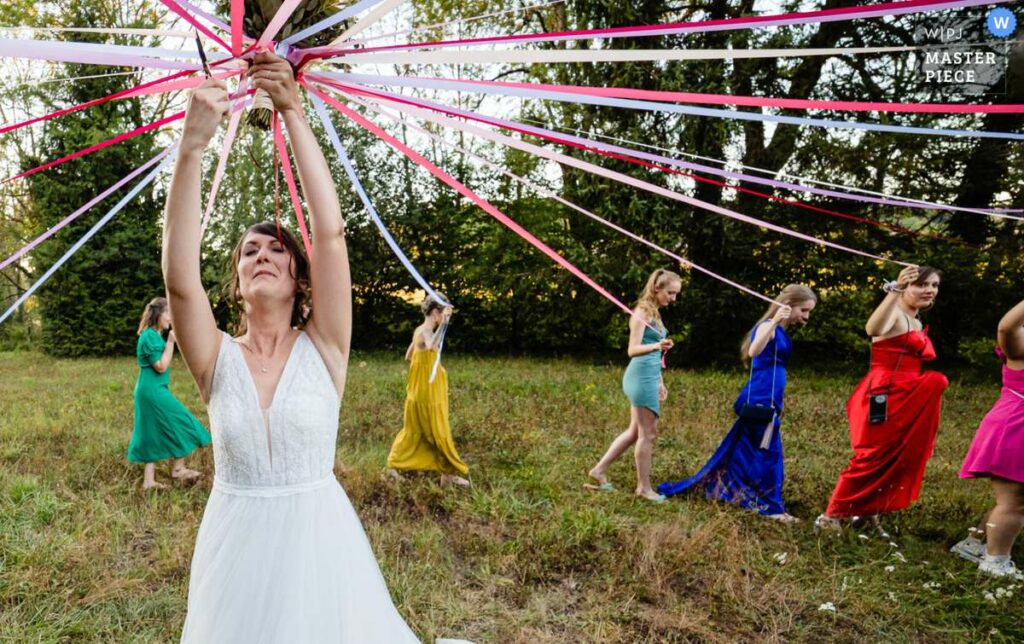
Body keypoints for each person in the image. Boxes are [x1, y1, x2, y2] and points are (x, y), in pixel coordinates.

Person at [164, 52, 462, 642]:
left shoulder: (326, 344)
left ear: (300, 279)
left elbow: (328, 233)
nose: (262, 256)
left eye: (276, 249)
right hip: (235, 551)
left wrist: (292, 110)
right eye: (249, 252)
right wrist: (192, 148)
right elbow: (178, 276)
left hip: (320, 552)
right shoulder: (214, 358)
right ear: (239, 282)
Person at [658, 285, 817, 523]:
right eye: (803, 310)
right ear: (789, 304)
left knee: (746, 449)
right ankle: (771, 507)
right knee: (768, 453)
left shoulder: (781, 330)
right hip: (760, 396)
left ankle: (731, 490)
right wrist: (774, 321)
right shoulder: (768, 327)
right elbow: (754, 351)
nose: (805, 317)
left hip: (769, 394)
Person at [817, 266, 948, 534]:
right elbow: (873, 328)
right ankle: (832, 514)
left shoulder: (916, 319)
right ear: (906, 286)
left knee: (895, 455)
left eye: (934, 285)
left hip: (907, 393)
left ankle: (866, 511)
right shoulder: (895, 314)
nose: (929, 290)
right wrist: (895, 289)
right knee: (872, 455)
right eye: (921, 284)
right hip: (884, 393)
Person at [586, 269, 681, 502]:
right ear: (656, 288)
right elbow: (633, 350)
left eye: (676, 294)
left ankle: (598, 471)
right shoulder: (641, 312)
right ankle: (644, 488)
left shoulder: (655, 314)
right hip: (639, 377)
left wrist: (660, 381)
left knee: (634, 432)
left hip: (649, 376)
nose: (673, 298)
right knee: (648, 434)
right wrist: (657, 346)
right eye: (670, 292)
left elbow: (654, 353)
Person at [950, 298, 1024, 579]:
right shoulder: (1020, 343)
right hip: (1016, 427)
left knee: (1014, 498)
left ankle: (976, 543)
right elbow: (1006, 327)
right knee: (1014, 502)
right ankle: (995, 563)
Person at [386, 294, 470, 486]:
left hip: (418, 390)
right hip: (427, 392)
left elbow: (409, 355)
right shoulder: (425, 332)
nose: (443, 318)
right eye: (442, 314)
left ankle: (392, 466)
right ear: (435, 313)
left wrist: (431, 364)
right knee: (438, 430)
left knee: (413, 429)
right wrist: (445, 325)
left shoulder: (419, 331)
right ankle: (448, 475)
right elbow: (432, 345)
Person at [128, 296, 210, 490]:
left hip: (152, 390)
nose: (171, 317)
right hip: (152, 392)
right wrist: (171, 342)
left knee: (152, 430)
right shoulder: (149, 336)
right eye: (168, 313)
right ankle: (178, 470)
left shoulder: (153, 336)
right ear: (158, 314)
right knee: (182, 420)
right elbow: (161, 366)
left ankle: (149, 481)